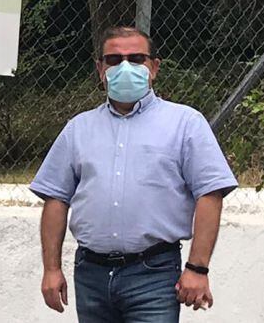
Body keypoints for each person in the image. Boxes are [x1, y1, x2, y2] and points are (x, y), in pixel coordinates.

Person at [30, 26, 237, 323]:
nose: (125, 66)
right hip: (91, 274)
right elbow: (56, 198)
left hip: (153, 273)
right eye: (114, 60)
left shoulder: (185, 124)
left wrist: (198, 268)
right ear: (100, 69)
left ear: (153, 67)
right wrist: (51, 269)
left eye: (136, 58)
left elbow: (210, 194)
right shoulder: (78, 129)